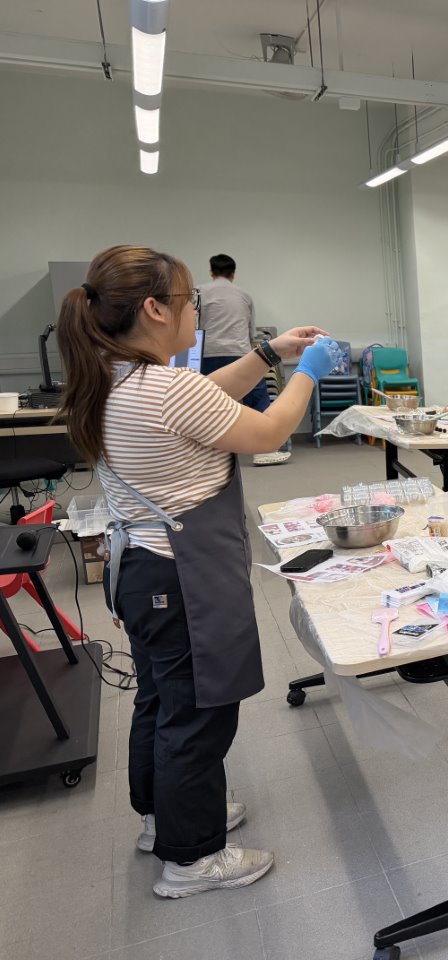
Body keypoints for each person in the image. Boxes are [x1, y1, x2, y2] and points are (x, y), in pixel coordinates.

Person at [56, 244, 340, 896]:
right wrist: (309, 372)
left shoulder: (113, 376)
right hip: (179, 576)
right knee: (198, 714)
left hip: (141, 571)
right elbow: (268, 432)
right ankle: (192, 859)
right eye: (189, 302)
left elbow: (205, 398)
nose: (196, 314)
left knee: (161, 700)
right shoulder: (163, 387)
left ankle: (164, 819)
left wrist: (270, 354)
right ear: (155, 310)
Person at [197, 254, 290, 466]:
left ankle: (205, 452)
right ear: (233, 274)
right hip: (238, 351)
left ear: (211, 271)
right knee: (258, 399)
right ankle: (265, 451)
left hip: (207, 353)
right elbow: (250, 330)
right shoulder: (244, 296)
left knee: (205, 401)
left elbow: (195, 325)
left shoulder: (199, 292)